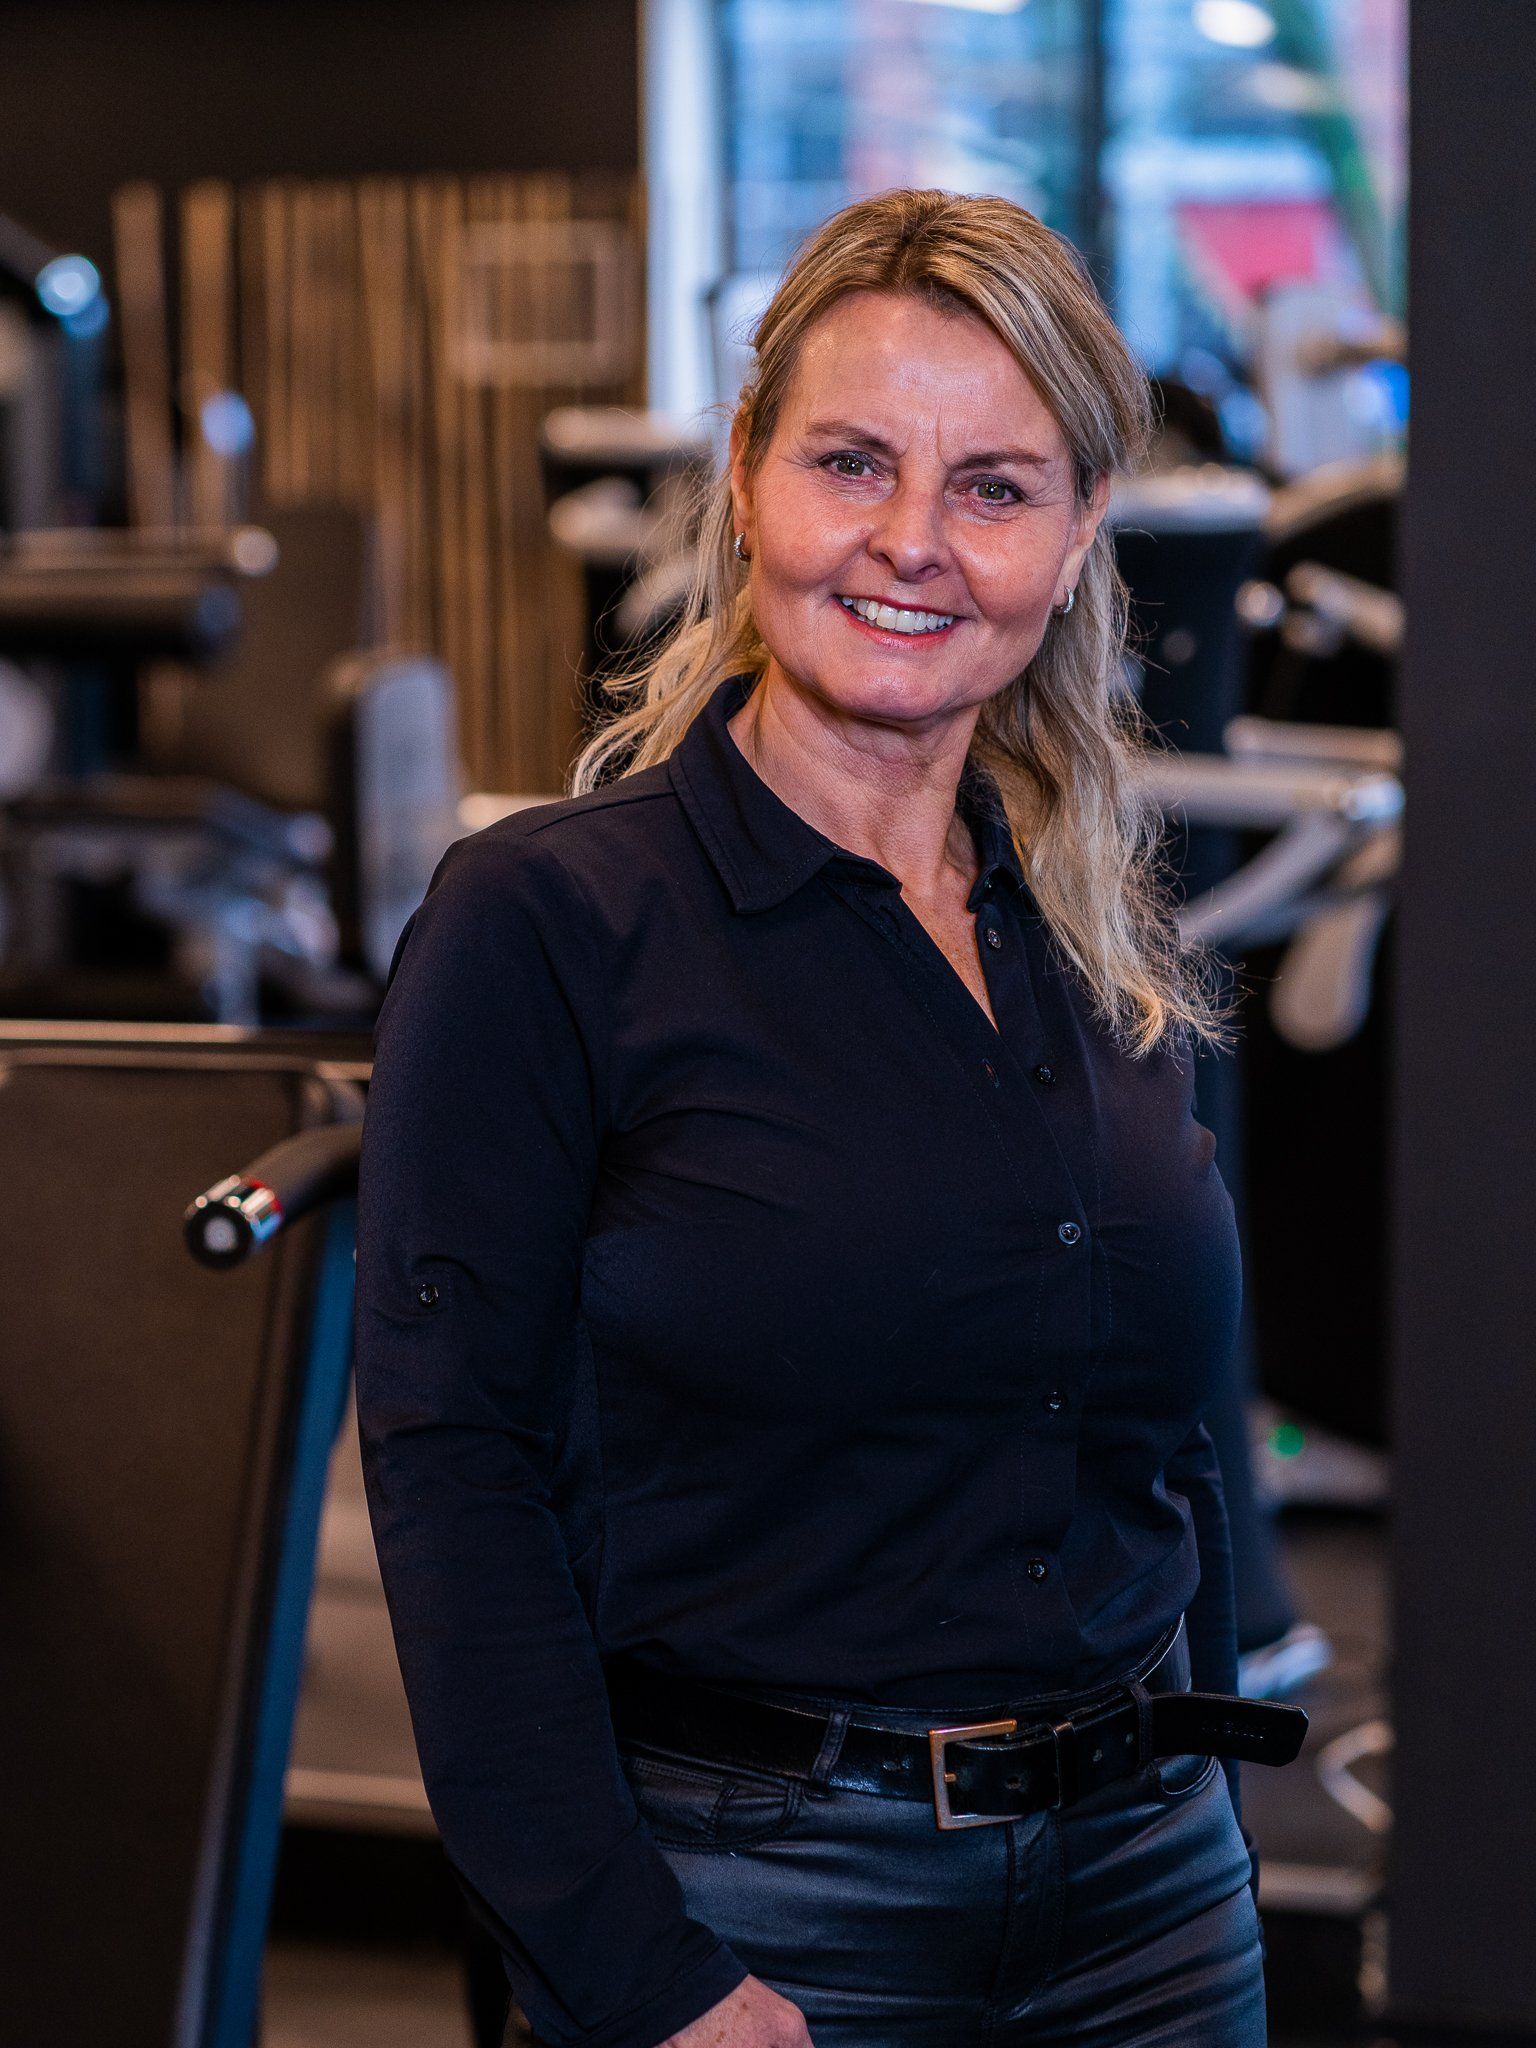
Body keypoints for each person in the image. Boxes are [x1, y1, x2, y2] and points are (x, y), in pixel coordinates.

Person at [354, 188, 1303, 2048]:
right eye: (853, 461)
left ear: (1081, 529)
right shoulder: (552, 922)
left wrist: (1211, 1853)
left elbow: (1161, 1452)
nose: (910, 542)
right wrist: (638, 1972)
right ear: (747, 474)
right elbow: (454, 1481)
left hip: (1154, 1906)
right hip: (764, 1908)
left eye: (995, 486)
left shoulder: (1089, 929)